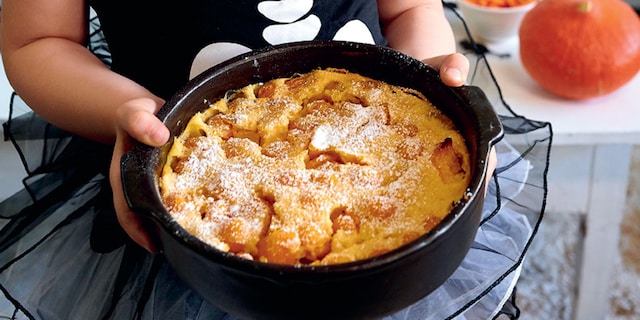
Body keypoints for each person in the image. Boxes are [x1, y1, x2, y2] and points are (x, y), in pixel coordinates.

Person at [0, 0, 480, 254]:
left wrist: (430, 88)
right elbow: (41, 39)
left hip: (390, 175)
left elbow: (409, 10)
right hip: (183, 186)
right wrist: (129, 108)